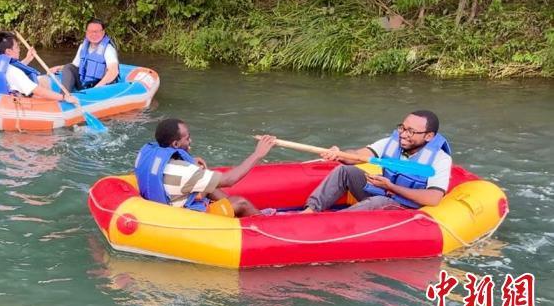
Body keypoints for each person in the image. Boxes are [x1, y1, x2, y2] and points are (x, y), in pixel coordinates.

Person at [303, 110, 452, 213]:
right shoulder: (391, 143)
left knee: (378, 201)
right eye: (403, 128)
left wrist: (392, 187)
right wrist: (339, 154)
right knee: (345, 171)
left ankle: (331, 224)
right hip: (384, 191)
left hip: (406, 206)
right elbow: (356, 155)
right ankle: (310, 211)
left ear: (429, 136)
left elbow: (433, 198)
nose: (403, 134)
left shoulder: (440, 160)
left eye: (411, 131)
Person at [135, 118, 276, 217]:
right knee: (241, 202)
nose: (191, 141)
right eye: (187, 138)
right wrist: (258, 154)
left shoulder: (148, 154)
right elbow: (229, 180)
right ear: (176, 144)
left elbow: (169, 171)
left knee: (210, 186)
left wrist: (188, 160)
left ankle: (232, 212)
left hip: (164, 205)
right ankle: (262, 222)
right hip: (184, 218)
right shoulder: (185, 172)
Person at [0, 31, 78, 105]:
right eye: (17, 47)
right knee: (48, 81)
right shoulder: (14, 73)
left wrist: (28, 59)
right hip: (28, 95)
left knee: (43, 79)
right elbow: (37, 90)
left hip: (4, 96)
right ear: (8, 51)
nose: (19, 49)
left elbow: (12, 72)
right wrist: (63, 97)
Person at [49, 18, 119, 92]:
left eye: (97, 31)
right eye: (91, 31)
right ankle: (64, 95)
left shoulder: (108, 49)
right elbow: (75, 66)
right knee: (68, 67)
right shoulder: (83, 46)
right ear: (86, 33)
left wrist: (96, 89)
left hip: (100, 87)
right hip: (85, 83)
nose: (94, 34)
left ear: (103, 32)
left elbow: (113, 71)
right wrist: (59, 68)